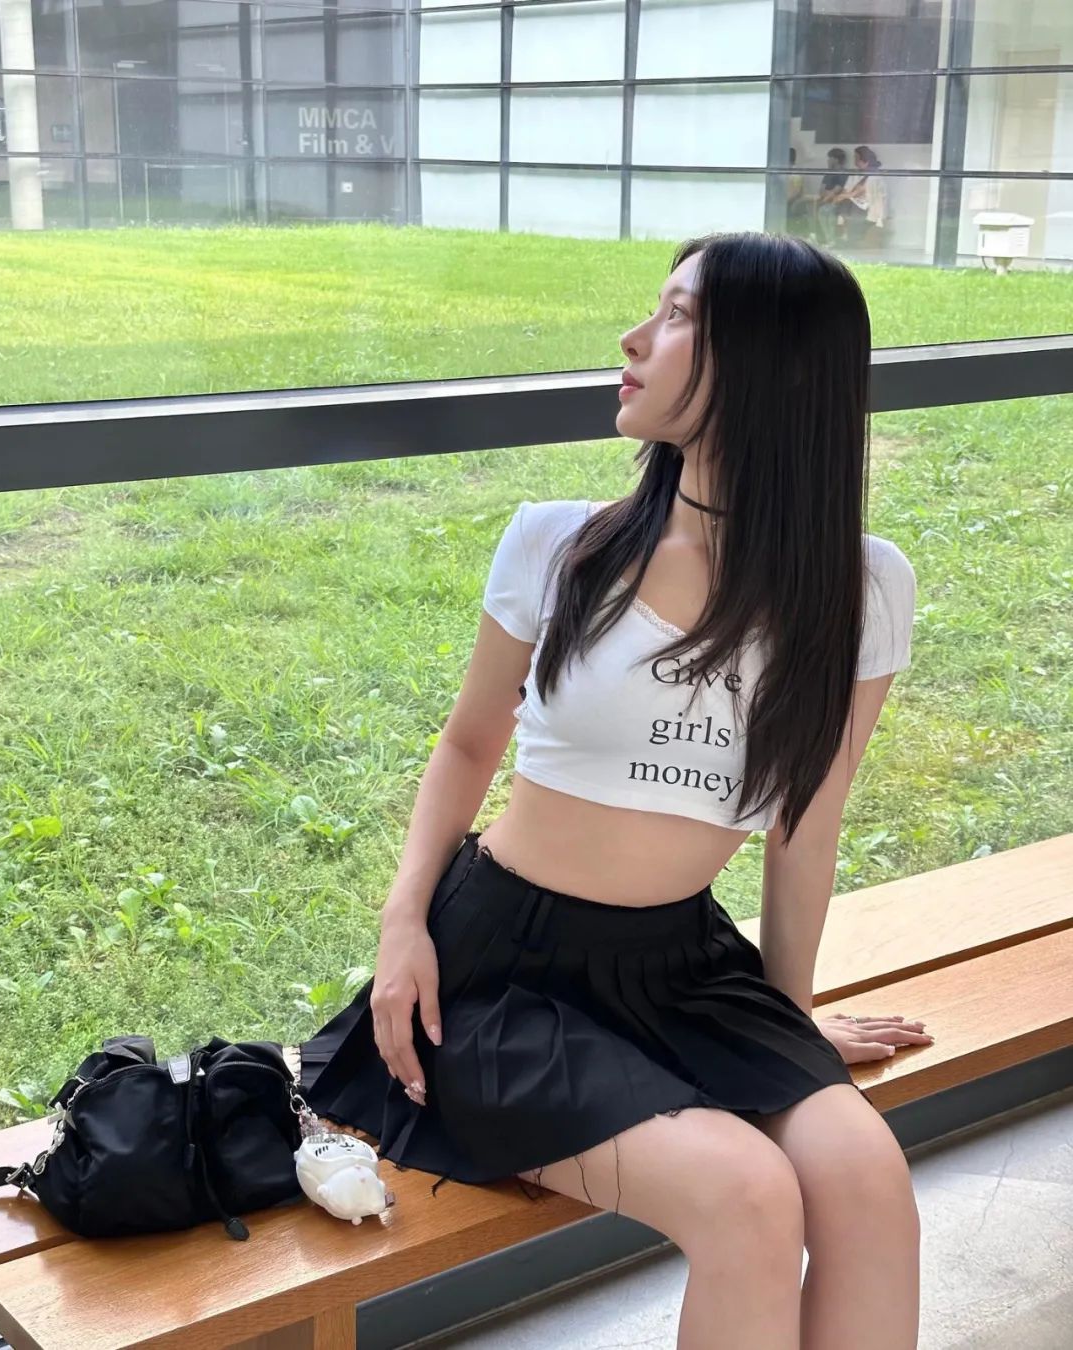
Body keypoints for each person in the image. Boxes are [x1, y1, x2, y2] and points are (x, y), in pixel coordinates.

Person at [300, 232, 926, 1349]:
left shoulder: (861, 587)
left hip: (686, 968)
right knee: (746, 1197)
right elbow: (468, 747)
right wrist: (401, 925)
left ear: (771, 366)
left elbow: (806, 829)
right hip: (500, 981)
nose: (633, 339)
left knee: (869, 1184)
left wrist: (787, 1033)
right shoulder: (561, 546)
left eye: (677, 317)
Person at [832, 145, 890, 247]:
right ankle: (842, 236)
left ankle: (849, 238)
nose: (854, 160)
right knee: (843, 205)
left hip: (868, 205)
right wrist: (843, 196)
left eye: (856, 158)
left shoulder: (874, 176)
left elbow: (857, 192)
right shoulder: (855, 174)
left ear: (865, 161)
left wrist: (842, 196)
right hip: (852, 203)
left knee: (850, 207)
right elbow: (846, 190)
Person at [816, 146, 849, 244]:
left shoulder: (843, 172)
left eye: (830, 158)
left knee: (826, 211)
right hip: (826, 200)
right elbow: (821, 189)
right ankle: (825, 238)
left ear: (836, 160)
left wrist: (826, 197)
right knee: (820, 209)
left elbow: (838, 189)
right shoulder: (828, 172)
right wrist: (825, 196)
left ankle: (831, 240)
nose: (828, 160)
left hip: (838, 201)